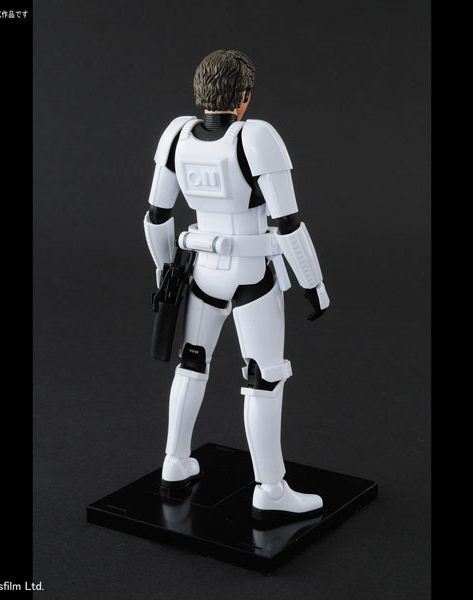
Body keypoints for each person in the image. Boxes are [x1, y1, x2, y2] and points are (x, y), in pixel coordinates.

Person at [143, 50, 330, 520]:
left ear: (200, 92)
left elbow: (157, 215)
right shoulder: (257, 136)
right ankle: (271, 490)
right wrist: (314, 284)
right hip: (251, 273)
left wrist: (165, 272)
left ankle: (175, 462)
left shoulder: (176, 135)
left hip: (201, 270)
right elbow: (287, 222)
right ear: (243, 96)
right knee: (264, 377)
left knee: (191, 364)